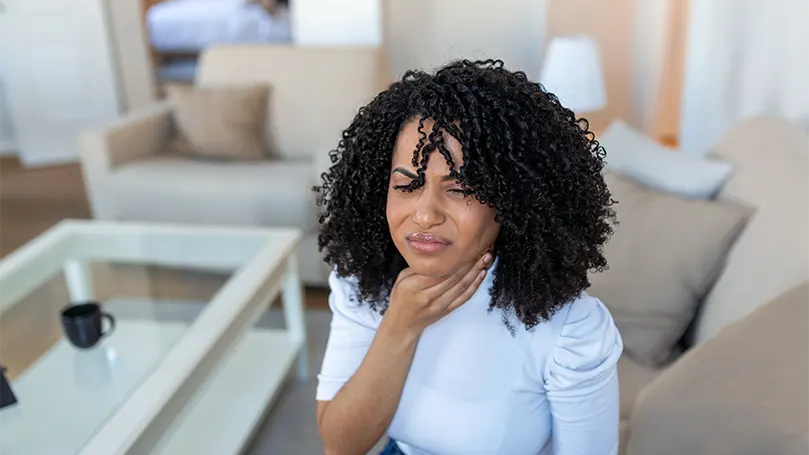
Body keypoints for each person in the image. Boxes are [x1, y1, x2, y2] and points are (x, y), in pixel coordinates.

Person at [313, 59, 623, 455]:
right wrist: (399, 326)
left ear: (512, 202)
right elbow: (340, 445)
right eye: (407, 185)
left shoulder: (569, 331)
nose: (425, 215)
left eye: (459, 189)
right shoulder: (365, 282)